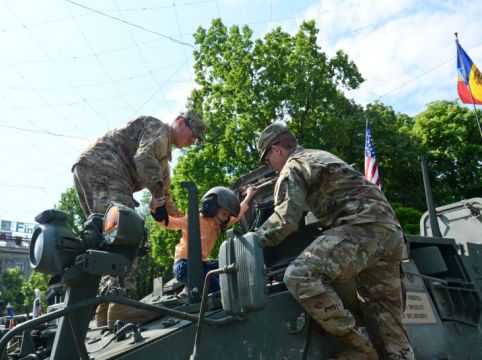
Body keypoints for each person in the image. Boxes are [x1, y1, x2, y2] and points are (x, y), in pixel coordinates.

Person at [255, 123, 414, 360]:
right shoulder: (320, 155)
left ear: (276, 150)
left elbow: (285, 220)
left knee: (300, 274)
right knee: (385, 317)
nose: (270, 166)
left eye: (267, 159)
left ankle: (360, 347)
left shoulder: (293, 166)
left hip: (361, 229)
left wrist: (251, 242)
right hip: (390, 234)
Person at [72, 110, 205, 328]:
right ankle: (118, 305)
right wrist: (156, 196)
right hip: (105, 167)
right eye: (194, 134)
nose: (194, 141)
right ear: (181, 123)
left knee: (107, 239)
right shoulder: (159, 130)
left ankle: (106, 306)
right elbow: (143, 158)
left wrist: (187, 221)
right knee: (127, 230)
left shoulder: (163, 159)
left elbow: (166, 196)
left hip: (91, 167)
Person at [152, 186, 257, 295]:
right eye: (224, 214)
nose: (226, 219)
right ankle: (192, 289)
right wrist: (156, 210)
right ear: (212, 208)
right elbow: (169, 223)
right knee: (218, 287)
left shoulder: (217, 224)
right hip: (184, 265)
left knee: (231, 267)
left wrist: (248, 196)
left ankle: (190, 289)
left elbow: (236, 217)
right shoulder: (194, 219)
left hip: (201, 264)